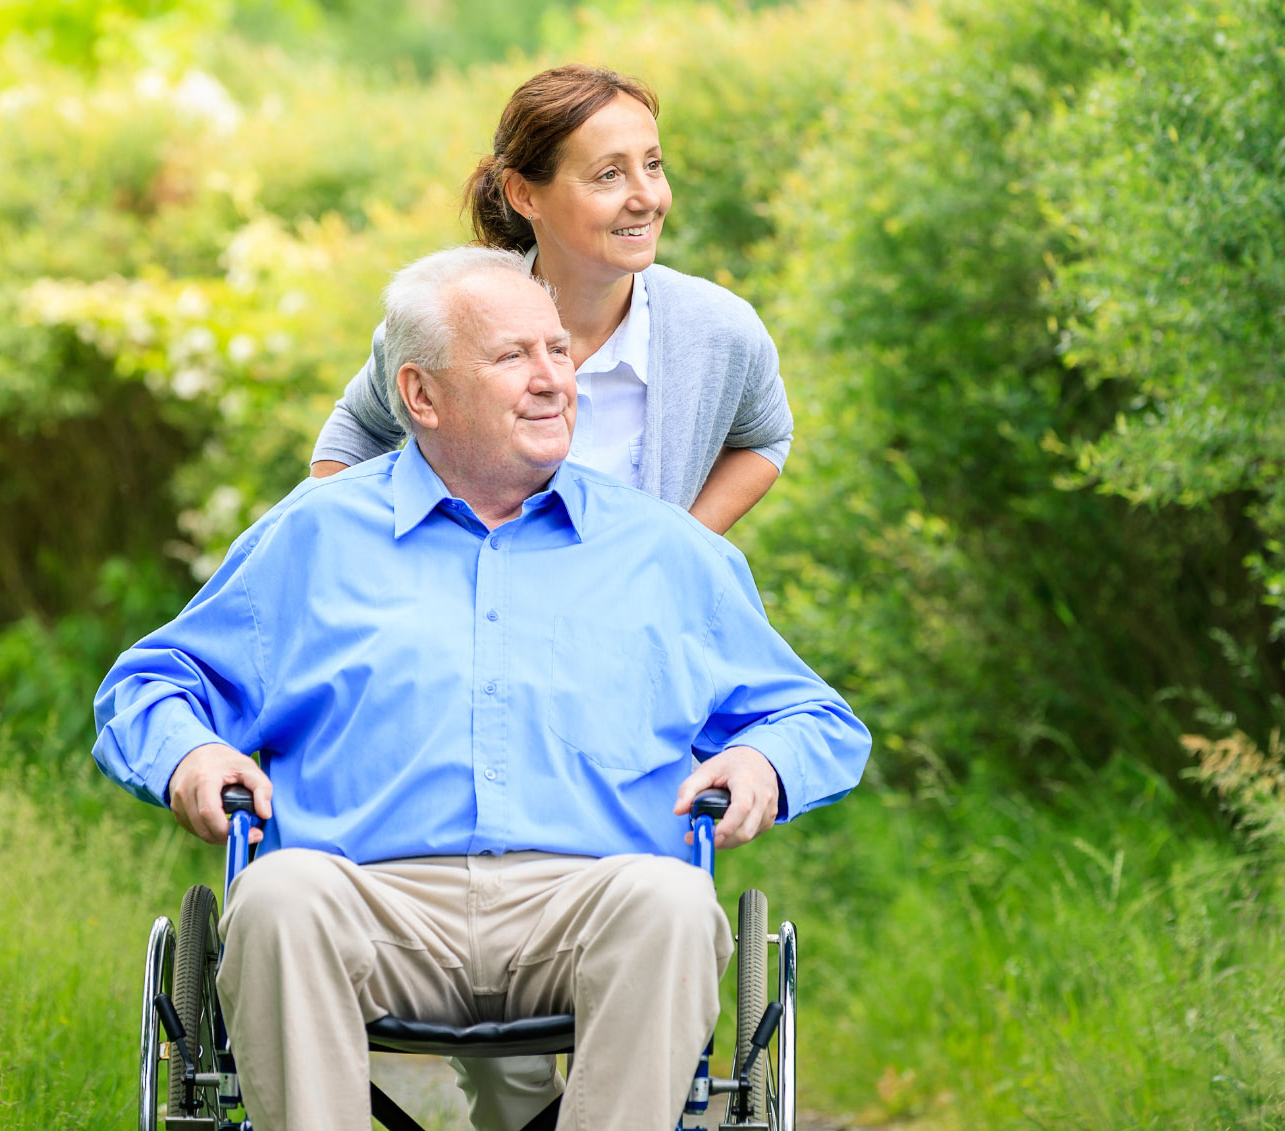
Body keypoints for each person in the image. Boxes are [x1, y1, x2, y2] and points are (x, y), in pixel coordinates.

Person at [93, 247, 870, 1131]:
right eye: (513, 358)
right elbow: (151, 683)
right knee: (277, 896)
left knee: (673, 901)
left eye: (557, 351)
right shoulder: (315, 536)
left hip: (590, 897)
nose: (553, 381)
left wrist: (763, 760)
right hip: (366, 894)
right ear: (421, 396)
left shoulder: (662, 551)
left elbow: (814, 715)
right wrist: (191, 752)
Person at [311, 64, 789, 537]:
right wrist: (347, 551)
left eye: (653, 165)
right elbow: (358, 426)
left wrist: (680, 547)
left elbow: (765, 437)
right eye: (608, 175)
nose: (647, 197)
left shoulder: (716, 329)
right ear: (525, 194)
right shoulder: (449, 320)